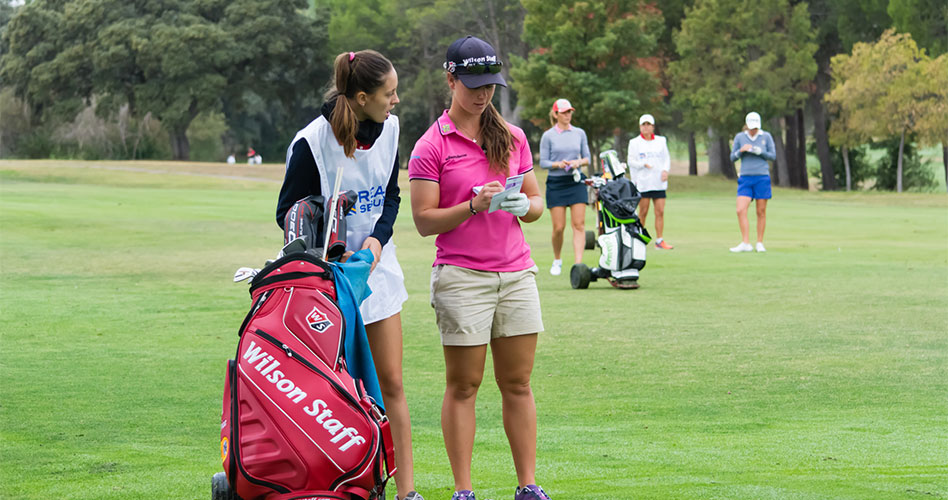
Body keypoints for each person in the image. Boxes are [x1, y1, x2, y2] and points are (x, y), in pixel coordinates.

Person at [275, 50, 423, 500]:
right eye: (389, 93)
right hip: (325, 283)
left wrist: (376, 242)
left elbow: (391, 196)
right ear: (361, 98)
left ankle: (406, 491)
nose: (396, 100)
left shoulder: (391, 128)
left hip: (377, 272)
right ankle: (341, 486)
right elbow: (287, 213)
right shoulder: (311, 143)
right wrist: (330, 226)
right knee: (331, 389)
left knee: (391, 384)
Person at [407, 36, 551, 500]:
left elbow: (536, 202)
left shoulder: (513, 137)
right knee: (465, 385)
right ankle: (463, 490)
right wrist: (472, 206)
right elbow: (424, 221)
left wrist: (523, 206)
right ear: (451, 80)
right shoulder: (431, 145)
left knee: (518, 383)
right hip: (462, 277)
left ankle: (527, 485)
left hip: (516, 274)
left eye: (490, 85)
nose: (483, 94)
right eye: (473, 85)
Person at [539, 98, 590, 275]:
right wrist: (558, 164)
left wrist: (577, 162)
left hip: (576, 181)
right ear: (556, 114)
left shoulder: (579, 133)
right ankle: (557, 259)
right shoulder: (548, 136)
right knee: (559, 227)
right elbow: (543, 162)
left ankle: (578, 265)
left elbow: (587, 158)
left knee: (579, 225)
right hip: (556, 183)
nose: (568, 115)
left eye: (569, 112)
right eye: (564, 112)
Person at [729, 111, 776, 252]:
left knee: (761, 211)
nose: (753, 130)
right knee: (740, 210)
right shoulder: (740, 137)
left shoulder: (766, 136)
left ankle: (759, 242)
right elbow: (733, 157)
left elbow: (772, 156)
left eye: (755, 127)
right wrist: (741, 151)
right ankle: (745, 243)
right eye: (751, 127)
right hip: (745, 177)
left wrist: (760, 152)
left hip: (762, 177)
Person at [626, 113, 673, 249]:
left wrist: (665, 170)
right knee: (643, 212)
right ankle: (639, 240)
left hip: (658, 182)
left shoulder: (661, 141)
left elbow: (666, 158)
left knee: (660, 211)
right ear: (640, 127)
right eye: (643, 125)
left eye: (648, 124)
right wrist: (643, 164)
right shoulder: (634, 143)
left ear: (653, 126)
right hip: (643, 183)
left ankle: (659, 240)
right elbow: (631, 161)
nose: (646, 127)